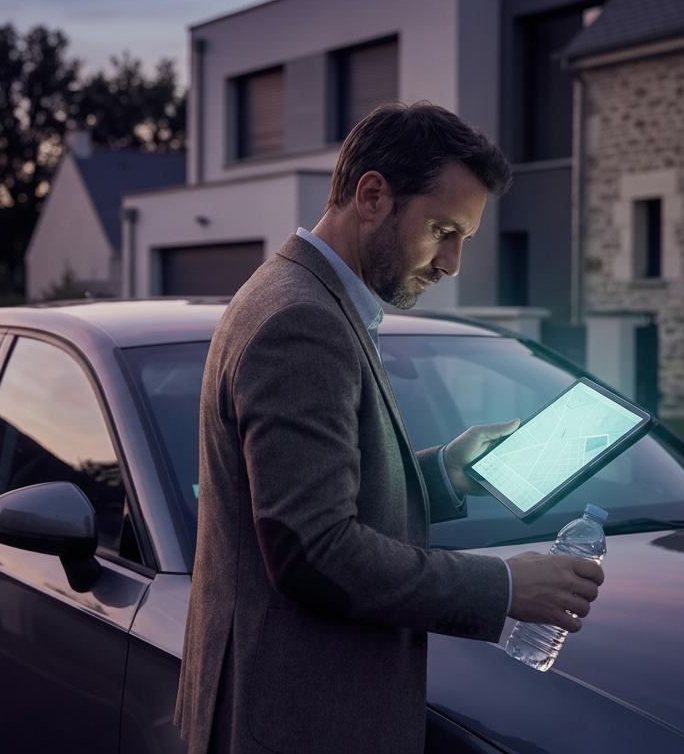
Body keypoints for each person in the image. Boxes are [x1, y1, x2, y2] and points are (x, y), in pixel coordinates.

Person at [175, 102, 605, 754]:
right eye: (443, 230)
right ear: (372, 195)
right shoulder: (303, 321)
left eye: (463, 238)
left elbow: (320, 497)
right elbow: (314, 552)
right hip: (300, 724)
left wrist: (444, 472)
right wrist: (507, 587)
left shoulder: (304, 296)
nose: (452, 262)